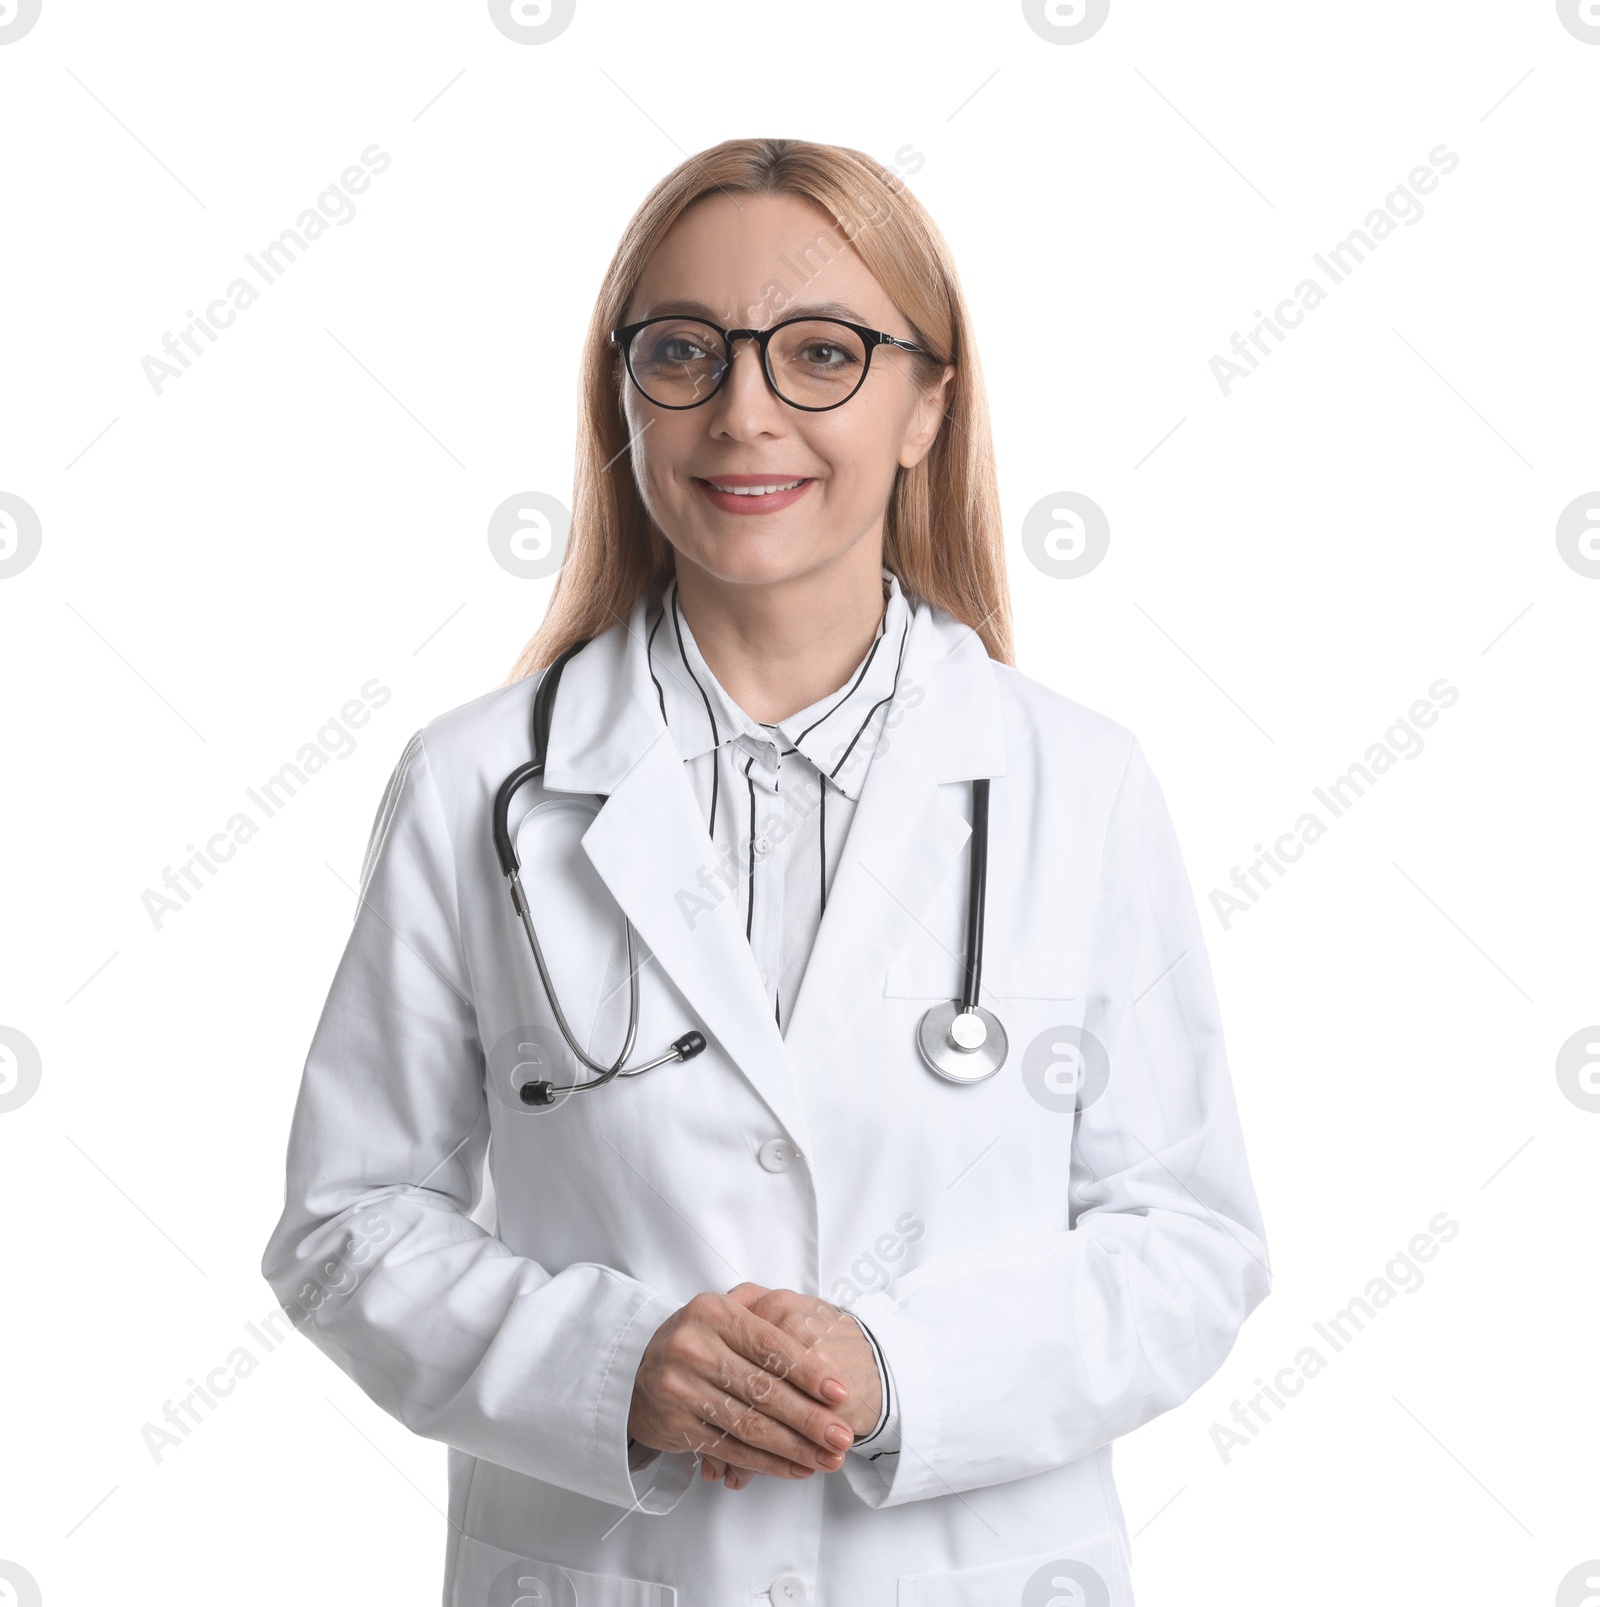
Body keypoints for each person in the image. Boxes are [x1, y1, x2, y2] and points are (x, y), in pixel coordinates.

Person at [261, 136, 1270, 1606]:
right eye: (684, 353)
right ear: (625, 397)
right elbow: (346, 1228)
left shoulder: (1077, 783)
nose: (744, 414)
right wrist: (613, 1370)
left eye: (821, 355)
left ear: (931, 403)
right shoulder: (479, 787)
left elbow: (1189, 1243)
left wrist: (897, 1372)